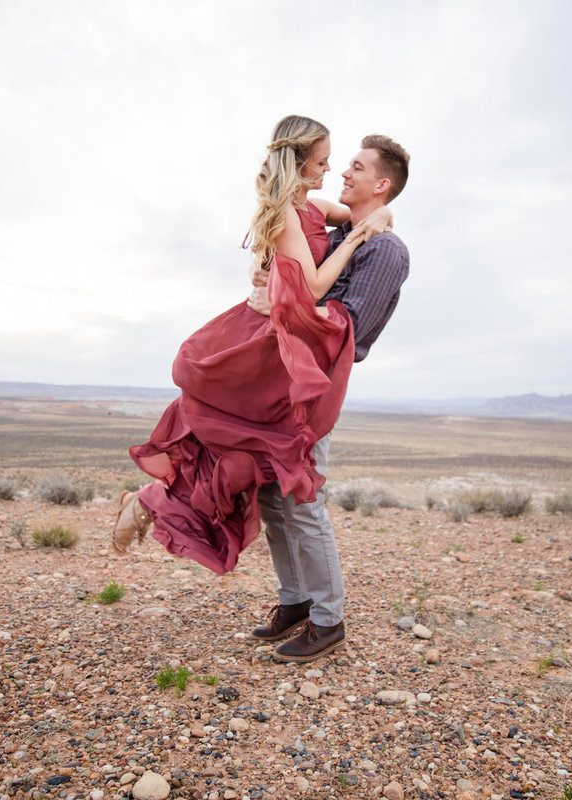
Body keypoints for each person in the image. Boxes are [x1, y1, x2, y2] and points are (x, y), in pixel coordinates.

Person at [111, 116, 392, 581]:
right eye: (321, 162)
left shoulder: (315, 207)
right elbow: (317, 285)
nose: (329, 170)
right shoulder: (283, 212)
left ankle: (148, 503)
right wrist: (362, 236)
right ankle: (148, 502)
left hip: (280, 347)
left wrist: (380, 216)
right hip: (260, 344)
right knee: (233, 451)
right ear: (299, 163)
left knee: (246, 460)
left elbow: (367, 213)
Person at [246, 134, 410, 663]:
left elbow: (343, 329)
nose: (343, 172)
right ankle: (294, 601)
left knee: (303, 495)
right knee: (272, 493)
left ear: (381, 184)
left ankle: (328, 619)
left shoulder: (384, 249)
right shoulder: (340, 228)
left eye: (357, 167)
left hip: (316, 382)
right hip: (282, 376)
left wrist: (283, 297)